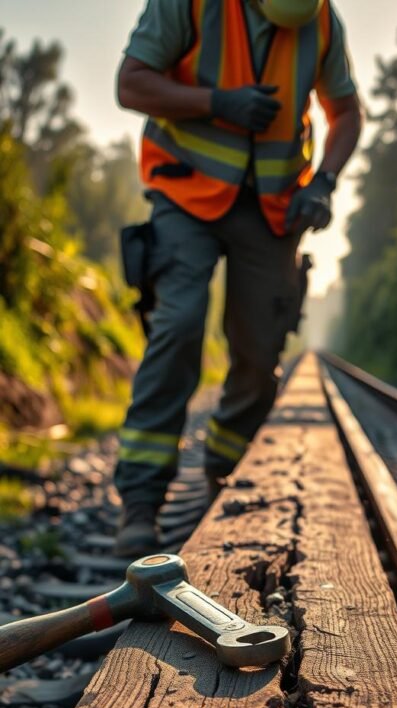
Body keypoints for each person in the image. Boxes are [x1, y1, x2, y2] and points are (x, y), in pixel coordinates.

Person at [114, 0, 362, 557]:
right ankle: (140, 501)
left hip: (273, 207)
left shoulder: (321, 19)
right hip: (186, 192)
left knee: (259, 350)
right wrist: (215, 103)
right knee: (178, 324)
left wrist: (322, 182)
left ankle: (222, 476)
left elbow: (346, 113)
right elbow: (131, 85)